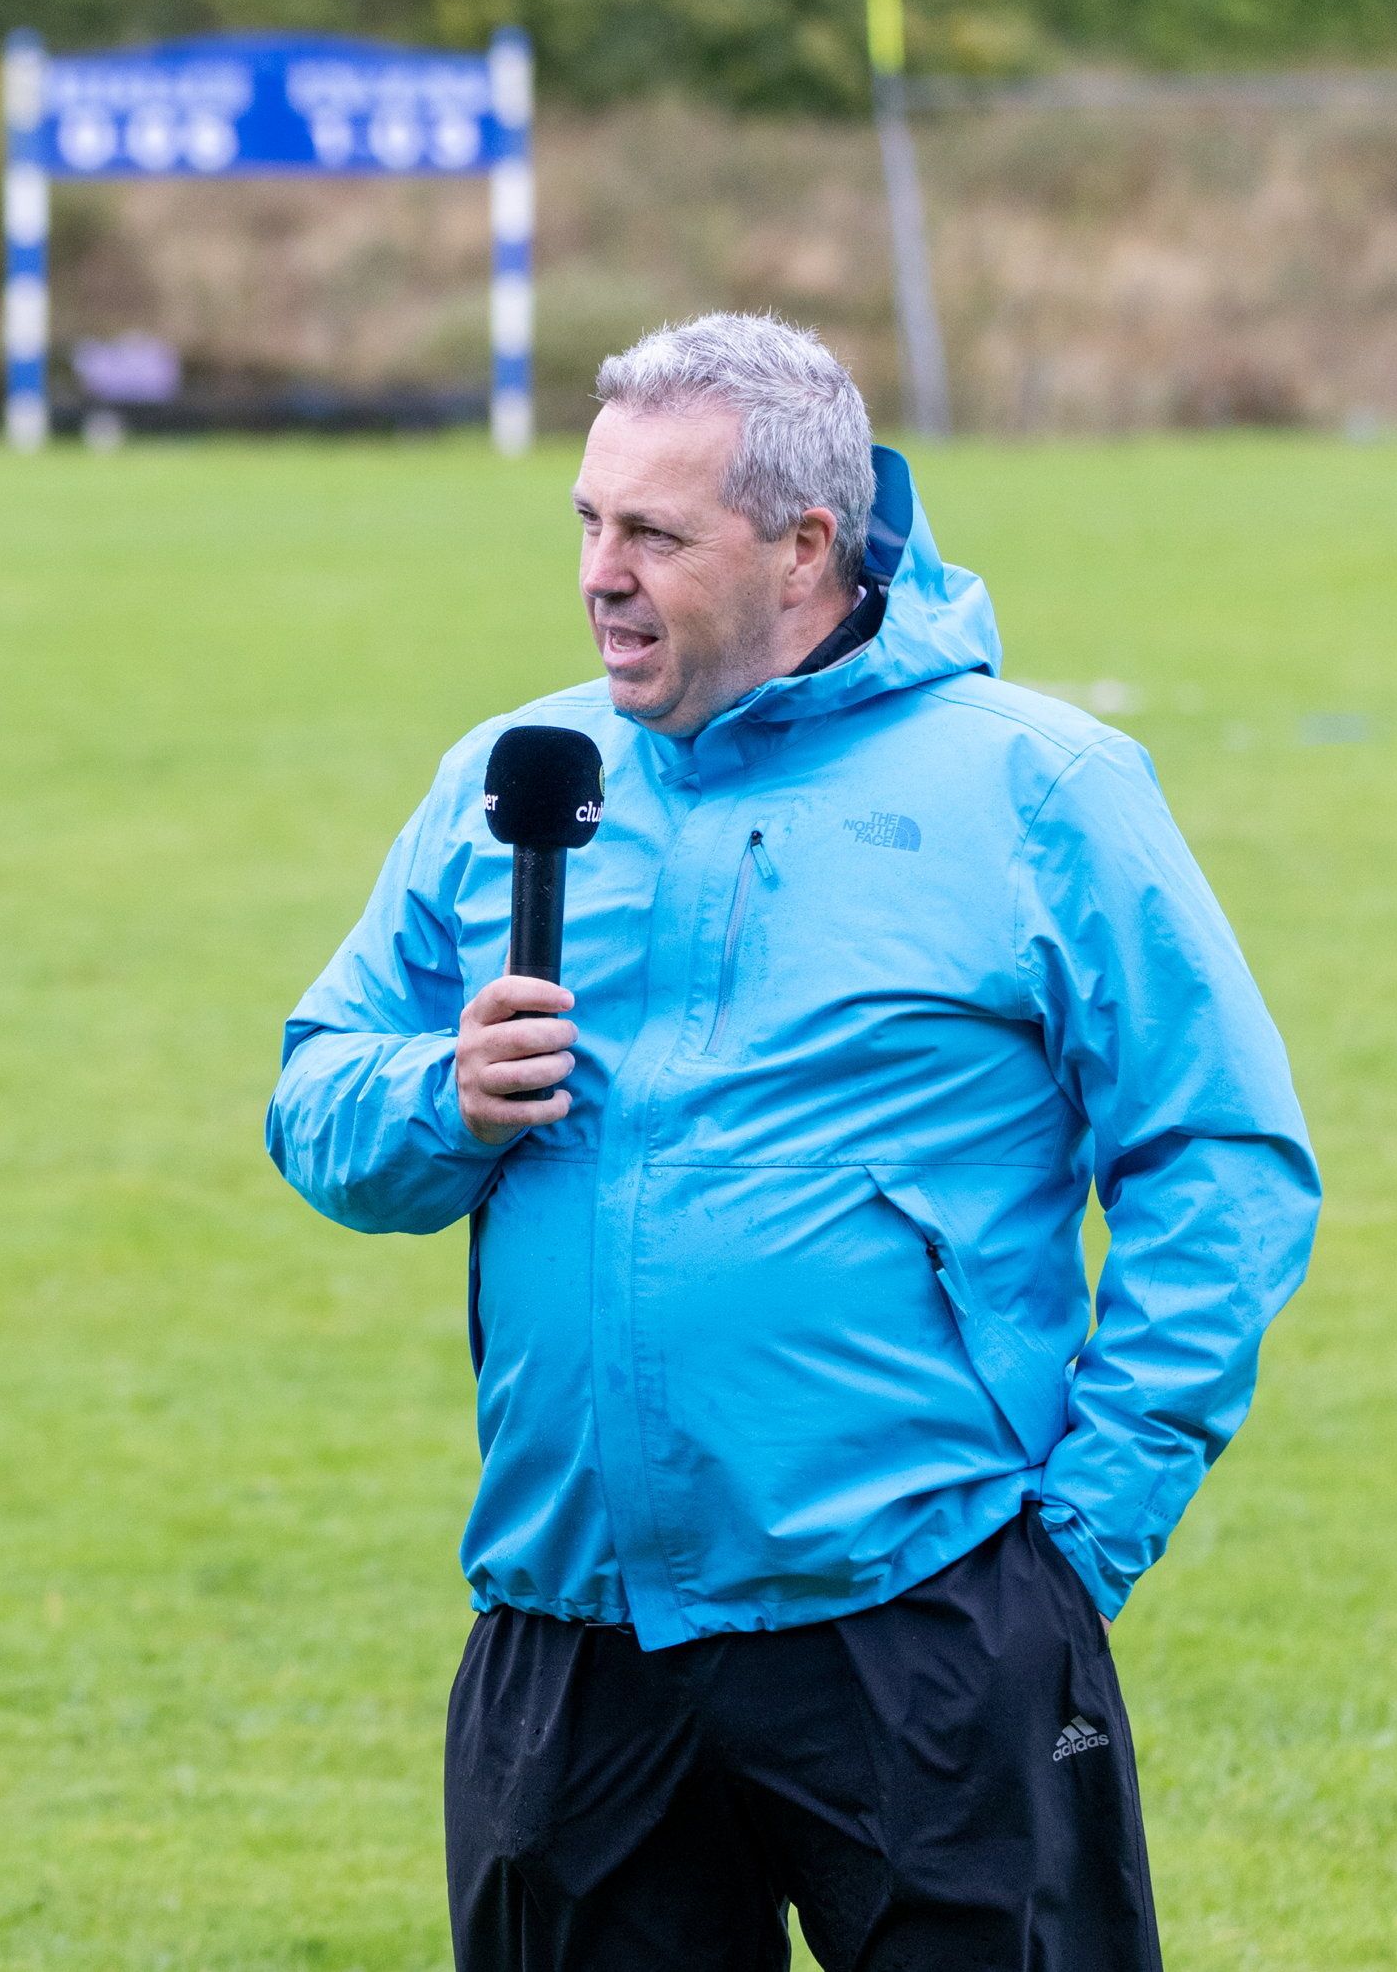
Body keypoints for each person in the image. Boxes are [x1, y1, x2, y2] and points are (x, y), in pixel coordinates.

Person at [267, 312, 1320, 1971]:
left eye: (653, 534)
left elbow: (1221, 1160)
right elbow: (314, 1093)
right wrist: (436, 1099)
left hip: (927, 1617)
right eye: (586, 523)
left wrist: (1083, 1533)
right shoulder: (507, 780)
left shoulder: (1037, 789)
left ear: (804, 548)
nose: (599, 574)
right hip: (572, 1622)